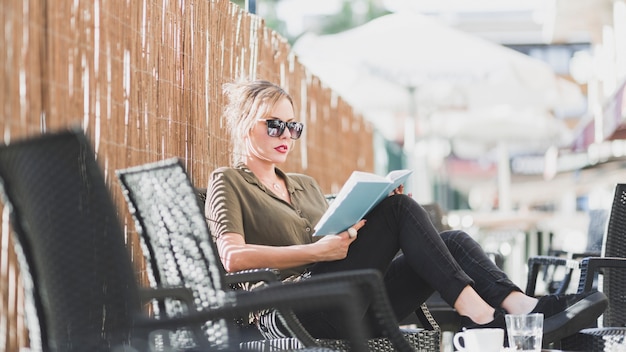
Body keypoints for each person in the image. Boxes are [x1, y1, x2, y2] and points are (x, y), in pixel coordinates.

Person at [205, 79, 607, 344]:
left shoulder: (305, 185)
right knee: (400, 210)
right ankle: (484, 318)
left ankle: (522, 307)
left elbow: (337, 238)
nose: (286, 136)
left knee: (455, 241)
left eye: (294, 127)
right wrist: (317, 252)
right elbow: (233, 258)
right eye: (274, 125)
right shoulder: (229, 181)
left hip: (348, 300)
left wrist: (373, 209)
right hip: (291, 311)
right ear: (245, 127)